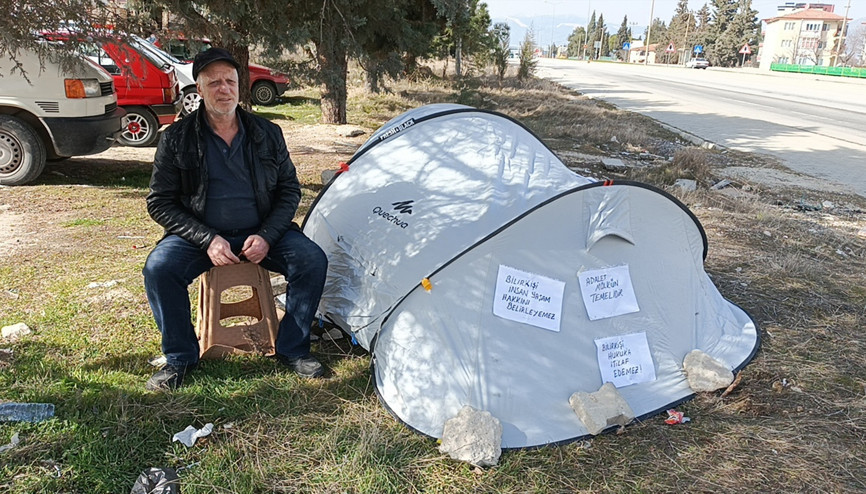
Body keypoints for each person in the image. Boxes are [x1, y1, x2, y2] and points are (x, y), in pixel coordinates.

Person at [142, 47, 328, 391]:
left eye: (230, 81)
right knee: (159, 269)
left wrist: (268, 235)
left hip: (261, 231)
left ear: (239, 86)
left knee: (312, 260)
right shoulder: (176, 139)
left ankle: (294, 348)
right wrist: (207, 239)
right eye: (214, 83)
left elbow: (289, 190)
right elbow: (160, 203)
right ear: (199, 89)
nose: (223, 89)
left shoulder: (267, 133)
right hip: (200, 236)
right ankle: (180, 358)